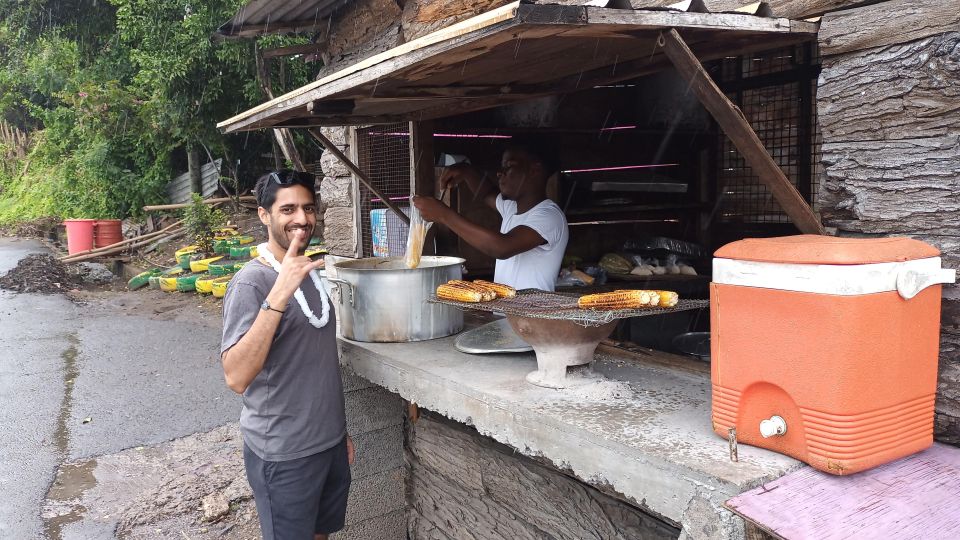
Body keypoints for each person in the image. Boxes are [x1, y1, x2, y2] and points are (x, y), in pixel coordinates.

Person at [220, 169, 353, 540]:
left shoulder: (309, 271)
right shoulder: (251, 282)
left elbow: (316, 360)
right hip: (284, 452)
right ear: (264, 215)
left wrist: (338, 432)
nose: (301, 219)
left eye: (308, 208)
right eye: (288, 209)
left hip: (327, 443)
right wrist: (279, 294)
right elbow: (236, 376)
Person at [413, 141, 569, 291]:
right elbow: (486, 192)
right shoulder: (512, 209)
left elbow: (502, 247)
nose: (500, 173)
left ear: (534, 170)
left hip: (534, 317)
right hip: (507, 316)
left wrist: (444, 215)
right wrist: (466, 171)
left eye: (509, 166)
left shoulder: (549, 216)